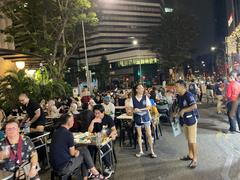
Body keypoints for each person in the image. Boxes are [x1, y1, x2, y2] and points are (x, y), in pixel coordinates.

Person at [50, 113, 105, 180]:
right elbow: (73, 153)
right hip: (63, 168)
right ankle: (95, 174)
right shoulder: (68, 134)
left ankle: (91, 175)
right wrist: (76, 152)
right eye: (73, 120)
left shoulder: (56, 132)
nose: (74, 122)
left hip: (54, 165)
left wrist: (77, 151)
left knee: (83, 151)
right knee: (84, 153)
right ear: (69, 122)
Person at [88, 105, 117, 178]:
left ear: (103, 112)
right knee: (89, 148)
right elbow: (89, 131)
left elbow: (114, 130)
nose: (96, 115)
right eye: (95, 113)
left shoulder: (108, 118)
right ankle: (91, 168)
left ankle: (108, 167)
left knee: (104, 147)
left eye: (98, 113)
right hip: (96, 139)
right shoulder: (93, 118)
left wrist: (112, 134)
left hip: (106, 139)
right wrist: (92, 122)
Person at [174, 80, 198, 169]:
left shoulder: (188, 95)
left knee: (192, 140)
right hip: (184, 121)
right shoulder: (179, 96)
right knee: (188, 139)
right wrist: (177, 113)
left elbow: (194, 106)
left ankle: (195, 159)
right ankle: (190, 155)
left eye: (177, 86)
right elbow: (180, 107)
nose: (175, 88)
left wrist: (184, 110)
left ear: (183, 86)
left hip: (191, 120)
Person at [129, 84, 157, 158]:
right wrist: (134, 110)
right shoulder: (132, 99)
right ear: (137, 90)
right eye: (140, 88)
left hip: (146, 117)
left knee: (149, 134)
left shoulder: (145, 97)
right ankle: (141, 151)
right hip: (137, 117)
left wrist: (140, 109)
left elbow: (149, 107)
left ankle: (152, 151)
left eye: (142, 88)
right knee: (139, 134)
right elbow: (131, 109)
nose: (142, 89)